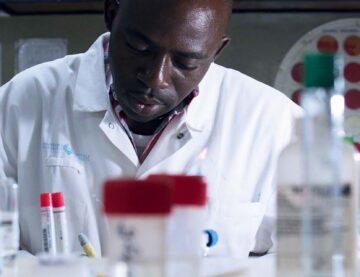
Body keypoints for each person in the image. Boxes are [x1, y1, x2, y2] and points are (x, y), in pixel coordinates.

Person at [0, 0, 301, 257]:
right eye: (140, 47)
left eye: (185, 62)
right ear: (112, 13)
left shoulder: (276, 124)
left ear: (216, 50)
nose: (155, 79)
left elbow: (326, 257)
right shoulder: (20, 102)